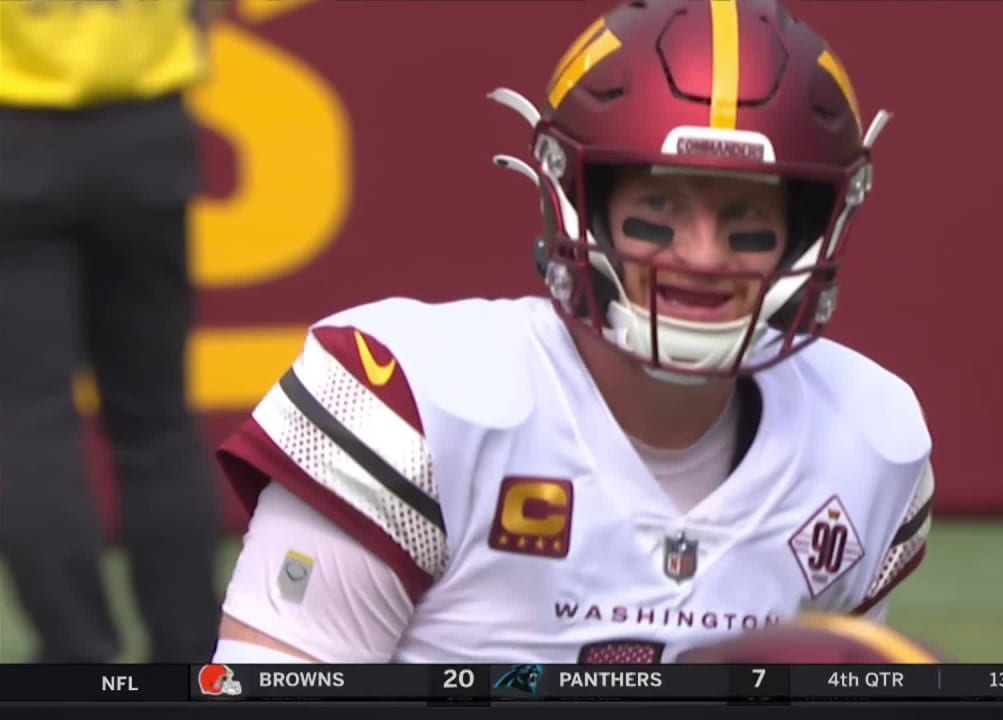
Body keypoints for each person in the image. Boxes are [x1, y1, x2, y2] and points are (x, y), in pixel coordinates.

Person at [211, 0, 935, 664]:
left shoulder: (868, 441)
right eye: (657, 211)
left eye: (748, 223)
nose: (703, 255)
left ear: (808, 233)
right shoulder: (417, 403)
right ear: (577, 208)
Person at [0, 0, 226, 662]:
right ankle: (190, 654)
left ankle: (78, 657)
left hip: (13, 127)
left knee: (28, 421)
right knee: (156, 422)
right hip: (145, 124)